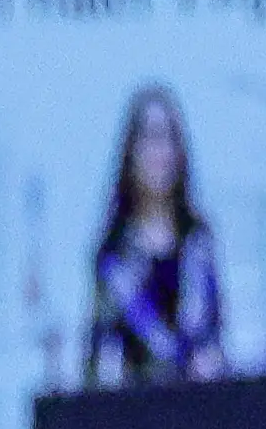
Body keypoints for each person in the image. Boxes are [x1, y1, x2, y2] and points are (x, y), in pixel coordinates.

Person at [85, 84, 224, 385]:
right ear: (131, 151)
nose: (160, 152)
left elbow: (215, 334)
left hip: (198, 402)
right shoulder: (114, 255)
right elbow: (97, 356)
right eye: (150, 137)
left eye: (169, 138)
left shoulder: (198, 241)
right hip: (135, 407)